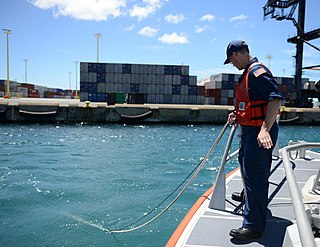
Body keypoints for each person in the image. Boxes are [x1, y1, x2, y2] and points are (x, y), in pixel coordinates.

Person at [224, 40, 282, 241]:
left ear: (236, 55)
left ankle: (253, 227)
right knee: (249, 173)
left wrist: (264, 129)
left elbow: (275, 99)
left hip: (258, 133)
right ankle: (251, 202)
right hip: (249, 132)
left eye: (231, 61)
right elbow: (250, 103)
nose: (232, 65)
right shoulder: (248, 74)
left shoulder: (257, 73)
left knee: (256, 176)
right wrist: (237, 115)